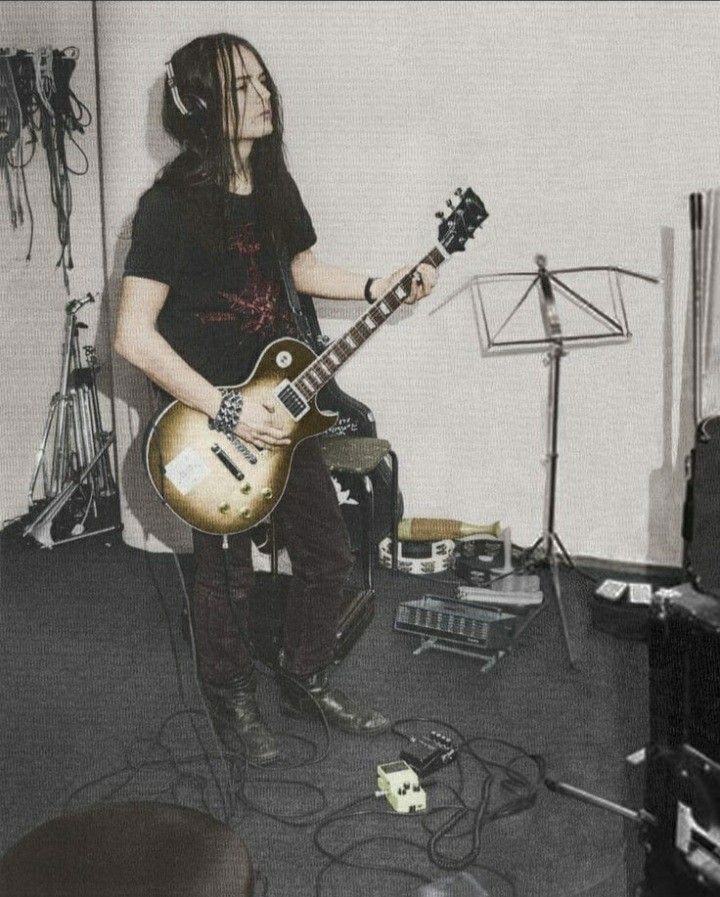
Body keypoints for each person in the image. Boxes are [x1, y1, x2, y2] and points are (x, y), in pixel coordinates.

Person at [114, 33, 438, 765]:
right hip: (211, 423)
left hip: (285, 413)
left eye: (264, 82)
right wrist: (227, 408)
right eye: (241, 88)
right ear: (198, 105)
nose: (264, 97)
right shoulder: (166, 209)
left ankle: (305, 674)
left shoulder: (273, 185)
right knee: (224, 577)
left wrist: (376, 284)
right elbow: (133, 335)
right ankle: (232, 701)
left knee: (328, 557)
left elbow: (299, 268)